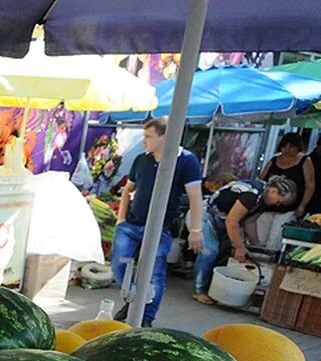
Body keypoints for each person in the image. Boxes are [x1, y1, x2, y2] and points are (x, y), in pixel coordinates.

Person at [111, 117, 204, 327]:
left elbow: (195, 196)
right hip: (131, 224)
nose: (144, 140)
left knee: (155, 273)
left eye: (148, 136)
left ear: (165, 137)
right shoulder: (142, 159)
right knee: (118, 264)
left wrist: (196, 229)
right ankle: (134, 298)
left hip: (161, 227)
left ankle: (145, 318)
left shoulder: (186, 160)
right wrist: (121, 219)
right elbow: (128, 190)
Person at [192, 176, 297, 304]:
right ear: (274, 191)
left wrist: (256, 246)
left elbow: (250, 222)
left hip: (220, 220)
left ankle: (212, 288)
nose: (278, 205)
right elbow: (232, 222)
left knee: (223, 251)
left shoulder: (262, 199)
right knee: (210, 251)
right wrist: (239, 247)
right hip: (205, 215)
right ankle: (199, 291)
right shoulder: (252, 195)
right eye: (279, 201)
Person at [260, 132, 315, 219]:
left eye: (291, 147)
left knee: (277, 232)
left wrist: (302, 206)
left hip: (291, 208)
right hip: (268, 206)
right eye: (284, 146)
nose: (287, 149)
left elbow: (310, 185)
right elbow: (262, 179)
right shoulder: (274, 160)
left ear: (298, 147)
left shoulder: (305, 161)